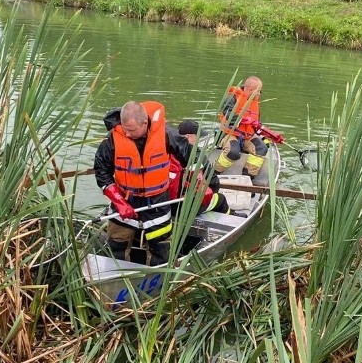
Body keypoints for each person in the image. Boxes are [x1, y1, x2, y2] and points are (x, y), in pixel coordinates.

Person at [94, 100, 211, 266]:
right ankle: (117, 278)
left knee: (160, 247)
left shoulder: (165, 134)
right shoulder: (113, 139)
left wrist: (197, 178)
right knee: (116, 243)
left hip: (157, 202)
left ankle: (157, 278)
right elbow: (101, 171)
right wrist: (119, 202)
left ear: (144, 122)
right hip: (125, 199)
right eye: (124, 129)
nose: (126, 134)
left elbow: (192, 156)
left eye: (131, 130)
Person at [215, 76, 284, 177]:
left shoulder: (255, 102)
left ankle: (247, 177)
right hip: (229, 133)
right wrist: (244, 120)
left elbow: (256, 124)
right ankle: (213, 173)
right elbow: (228, 114)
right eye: (259, 91)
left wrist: (270, 135)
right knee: (233, 152)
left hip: (247, 135)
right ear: (251, 90)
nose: (259, 94)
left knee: (261, 149)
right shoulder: (232, 97)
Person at [171, 120, 230, 214]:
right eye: (197, 136)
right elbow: (213, 181)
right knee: (220, 199)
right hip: (182, 205)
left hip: (167, 202)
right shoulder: (195, 154)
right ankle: (228, 217)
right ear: (188, 136)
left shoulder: (169, 149)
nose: (198, 139)